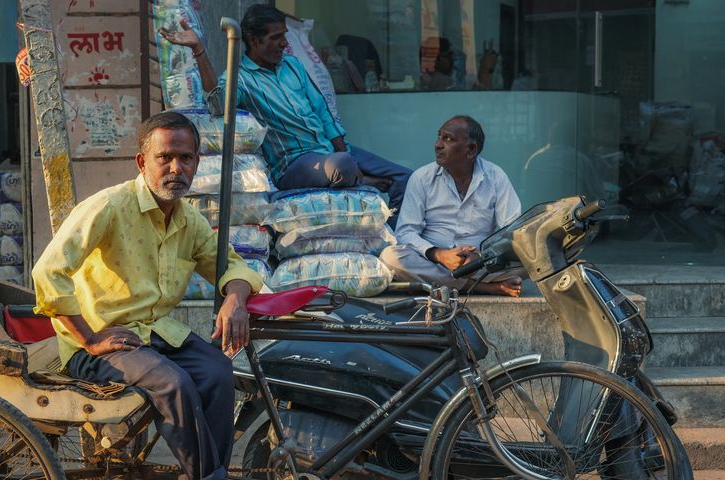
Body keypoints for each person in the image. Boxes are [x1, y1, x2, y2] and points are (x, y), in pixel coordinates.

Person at [31, 111, 282, 480]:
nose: (176, 168)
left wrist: (235, 298)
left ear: (196, 162)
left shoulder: (188, 221)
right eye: (164, 157)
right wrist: (88, 338)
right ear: (141, 161)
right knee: (174, 384)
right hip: (102, 344)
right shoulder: (108, 207)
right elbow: (49, 273)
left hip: (155, 335)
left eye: (185, 158)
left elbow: (230, 266)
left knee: (218, 371)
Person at [158, 4, 411, 218]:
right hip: (294, 164)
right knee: (342, 165)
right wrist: (199, 51)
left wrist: (346, 154)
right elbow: (216, 104)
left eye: (284, 35)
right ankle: (363, 182)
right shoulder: (242, 78)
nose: (283, 43)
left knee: (404, 177)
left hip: (330, 150)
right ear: (254, 40)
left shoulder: (292, 65)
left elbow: (323, 112)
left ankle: (393, 238)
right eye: (275, 37)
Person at [379, 115, 523, 297]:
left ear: (471, 150)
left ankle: (443, 283)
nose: (438, 145)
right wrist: (440, 255)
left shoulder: (495, 177)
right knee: (391, 257)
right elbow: (406, 232)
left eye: (448, 139)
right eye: (439, 137)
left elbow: (512, 230)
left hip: (482, 266)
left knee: (530, 259)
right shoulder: (421, 178)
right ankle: (482, 287)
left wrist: (481, 257)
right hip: (433, 263)